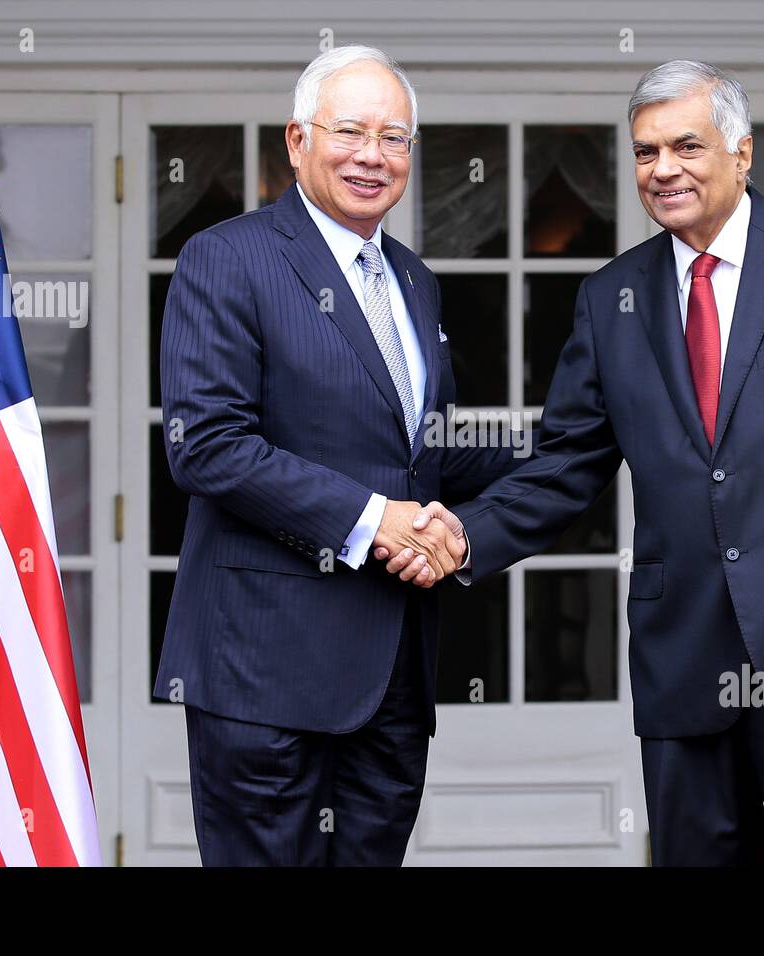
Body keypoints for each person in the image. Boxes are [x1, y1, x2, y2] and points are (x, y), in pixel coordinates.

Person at [378, 60, 764, 866]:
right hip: (685, 663)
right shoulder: (612, 299)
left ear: (742, 154)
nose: (663, 169)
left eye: (686, 146)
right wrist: (464, 537)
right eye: (644, 153)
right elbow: (566, 462)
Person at [154, 45, 514, 866]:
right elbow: (207, 446)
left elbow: (426, 455)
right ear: (296, 140)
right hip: (264, 672)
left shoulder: (415, 282)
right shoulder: (229, 258)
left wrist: (573, 433)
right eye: (349, 131)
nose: (371, 155)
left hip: (393, 673)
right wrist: (373, 521)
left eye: (394, 139)